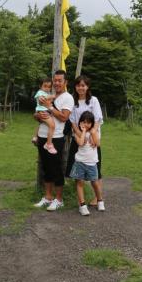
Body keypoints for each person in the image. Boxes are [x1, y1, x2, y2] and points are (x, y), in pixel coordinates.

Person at [33, 69, 73, 211]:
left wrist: (49, 106)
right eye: (55, 80)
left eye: (59, 80)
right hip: (43, 136)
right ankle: (48, 196)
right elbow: (37, 115)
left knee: (56, 169)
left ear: (65, 82)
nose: (56, 83)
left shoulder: (67, 98)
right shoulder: (47, 95)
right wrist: (37, 116)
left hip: (56, 138)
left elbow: (63, 117)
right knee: (45, 168)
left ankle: (59, 199)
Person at [65, 75, 104, 208]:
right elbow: (73, 122)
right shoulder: (73, 102)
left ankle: (97, 197)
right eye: (78, 85)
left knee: (95, 168)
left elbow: (98, 120)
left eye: (83, 85)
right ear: (75, 87)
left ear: (87, 87)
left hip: (93, 139)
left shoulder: (93, 100)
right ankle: (80, 198)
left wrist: (92, 134)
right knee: (77, 168)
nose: (81, 88)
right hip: (78, 137)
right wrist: (79, 135)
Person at [69, 111, 104, 216]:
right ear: (80, 123)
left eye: (88, 122)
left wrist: (93, 132)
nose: (86, 124)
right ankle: (82, 205)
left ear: (92, 123)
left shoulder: (94, 132)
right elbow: (80, 142)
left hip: (92, 163)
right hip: (80, 162)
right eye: (83, 122)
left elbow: (98, 144)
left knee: (95, 183)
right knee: (80, 183)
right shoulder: (76, 133)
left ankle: (100, 200)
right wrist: (83, 131)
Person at [31, 78, 57, 154]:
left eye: (49, 87)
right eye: (45, 86)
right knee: (52, 126)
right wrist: (53, 96)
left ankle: (35, 137)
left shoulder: (46, 93)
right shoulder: (40, 92)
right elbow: (43, 99)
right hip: (42, 111)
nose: (47, 88)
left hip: (43, 111)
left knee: (41, 123)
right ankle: (48, 144)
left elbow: (48, 101)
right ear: (40, 86)